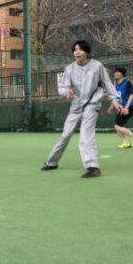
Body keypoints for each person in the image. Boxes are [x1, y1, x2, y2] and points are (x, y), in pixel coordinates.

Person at [41, 40, 122, 178]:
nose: (77, 52)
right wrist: (66, 92)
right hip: (76, 105)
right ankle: (52, 162)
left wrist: (115, 100)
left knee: (86, 134)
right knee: (65, 134)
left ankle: (93, 167)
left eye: (80, 49)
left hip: (92, 104)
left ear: (87, 52)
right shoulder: (69, 68)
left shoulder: (97, 66)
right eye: (75, 50)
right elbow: (62, 87)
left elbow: (108, 84)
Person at [108, 66, 133, 149]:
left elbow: (131, 95)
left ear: (122, 74)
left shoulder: (127, 83)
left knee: (117, 126)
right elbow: (116, 98)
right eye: (115, 72)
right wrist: (112, 106)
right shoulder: (116, 85)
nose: (116, 73)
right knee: (117, 127)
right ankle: (125, 143)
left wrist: (126, 107)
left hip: (129, 107)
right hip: (121, 108)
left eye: (118, 72)